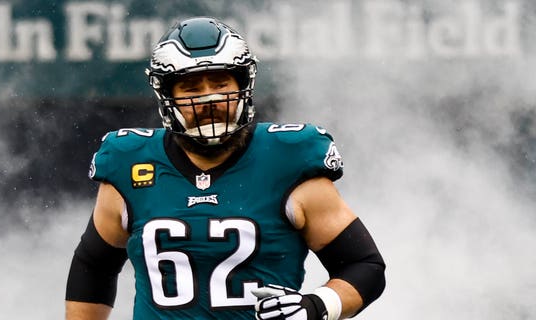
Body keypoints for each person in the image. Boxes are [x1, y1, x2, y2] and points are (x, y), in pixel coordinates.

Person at [65, 16, 385, 320]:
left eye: (221, 83)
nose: (209, 98)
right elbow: (93, 265)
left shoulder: (288, 159)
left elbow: (363, 264)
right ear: (167, 96)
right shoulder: (130, 162)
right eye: (191, 88)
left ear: (243, 86)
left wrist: (317, 305)